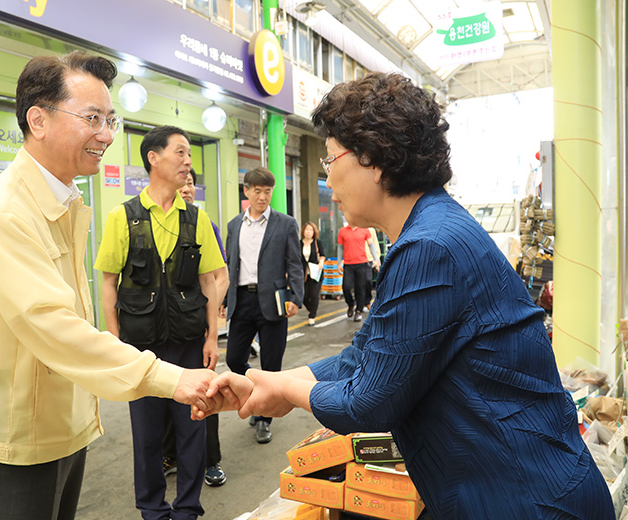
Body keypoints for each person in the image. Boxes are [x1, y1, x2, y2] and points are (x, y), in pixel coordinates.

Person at [205, 72, 614, 519]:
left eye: (330, 159)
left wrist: (285, 386)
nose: (329, 176)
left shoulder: (429, 246)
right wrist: (275, 381)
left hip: (524, 498)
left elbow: (370, 402)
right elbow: (367, 355)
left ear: (374, 160)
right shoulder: (431, 229)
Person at [0, 52, 221, 520]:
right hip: (16, 436)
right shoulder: (4, 213)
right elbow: (53, 325)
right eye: (92, 118)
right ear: (38, 119)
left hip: (61, 423)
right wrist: (171, 379)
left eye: (110, 119)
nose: (106, 135)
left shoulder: (65, 202)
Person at [95, 126, 225, 520]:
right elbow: (108, 282)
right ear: (154, 158)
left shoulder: (196, 218)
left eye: (190, 155)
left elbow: (210, 280)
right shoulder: (123, 217)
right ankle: (152, 509)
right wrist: (116, 343)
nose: (189, 162)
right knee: (147, 436)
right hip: (141, 348)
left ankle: (187, 508)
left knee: (192, 432)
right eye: (181, 153)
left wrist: (212, 339)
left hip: (188, 344)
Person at [220, 167, 304, 444]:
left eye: (267, 191)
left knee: (271, 363)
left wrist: (296, 297)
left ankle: (265, 419)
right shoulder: (234, 225)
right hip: (242, 299)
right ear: (246, 191)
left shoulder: (285, 223)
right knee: (233, 358)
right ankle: (256, 391)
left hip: (274, 301)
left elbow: (294, 263)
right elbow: (230, 265)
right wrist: (223, 299)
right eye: (257, 191)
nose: (263, 197)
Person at [162, 169, 229, 487]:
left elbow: (220, 276)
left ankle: (210, 460)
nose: (186, 188)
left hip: (195, 324)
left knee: (204, 390)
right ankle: (170, 454)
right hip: (161, 329)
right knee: (166, 390)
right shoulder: (151, 222)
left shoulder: (204, 224)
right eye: (182, 181)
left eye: (190, 182)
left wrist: (211, 317)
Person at [337, 223, 378, 322]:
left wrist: (376, 259)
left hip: (362, 263)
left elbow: (371, 245)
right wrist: (339, 263)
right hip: (348, 264)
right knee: (346, 287)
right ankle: (351, 304)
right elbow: (340, 248)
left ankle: (358, 311)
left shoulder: (364, 229)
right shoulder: (342, 231)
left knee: (360, 288)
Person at [300, 221, 326, 326]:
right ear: (303, 231)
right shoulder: (299, 243)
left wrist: (321, 262)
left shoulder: (317, 242)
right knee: (304, 296)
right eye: (307, 229)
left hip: (315, 272)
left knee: (314, 295)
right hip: (304, 274)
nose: (308, 232)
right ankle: (312, 309)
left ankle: (312, 316)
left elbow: (323, 255)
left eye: (311, 230)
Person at [363, 227, 381, 311]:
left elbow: (375, 245)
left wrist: (376, 259)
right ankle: (360, 303)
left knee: (367, 281)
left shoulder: (371, 230)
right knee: (358, 283)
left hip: (368, 259)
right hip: (356, 260)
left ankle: (367, 301)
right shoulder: (355, 229)